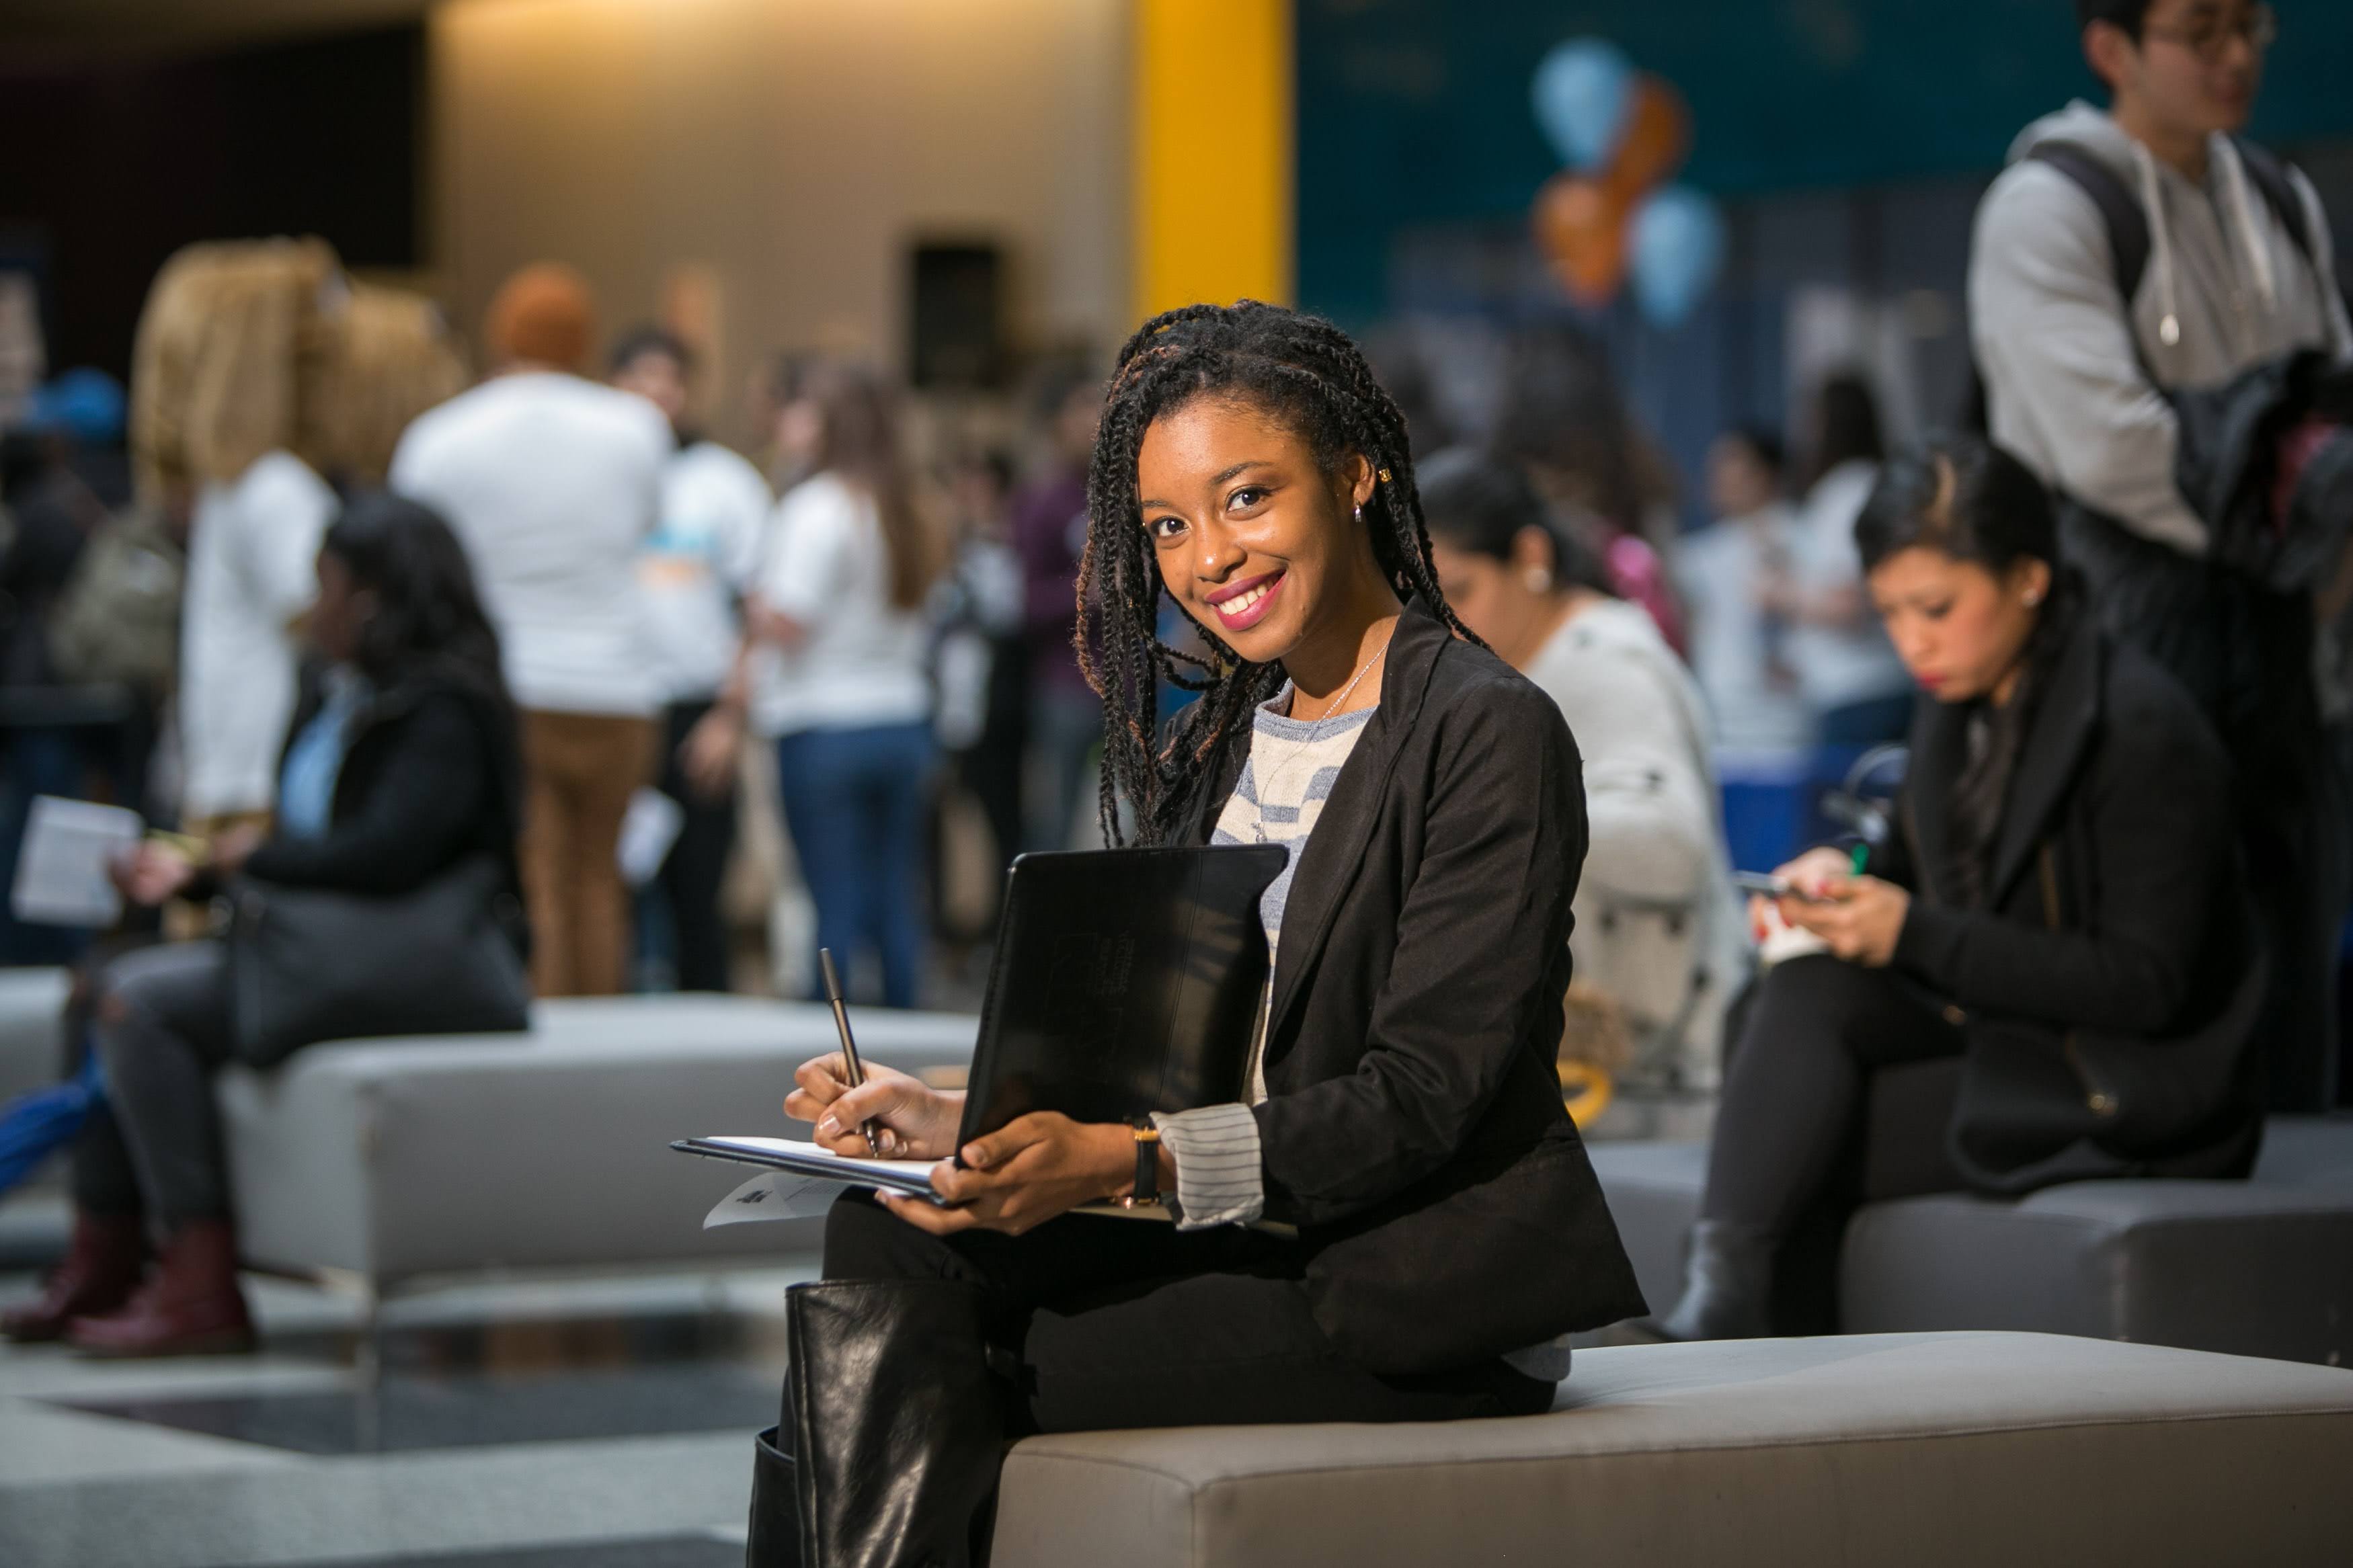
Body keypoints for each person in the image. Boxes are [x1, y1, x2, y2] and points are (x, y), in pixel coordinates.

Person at [748, 303, 1644, 1568]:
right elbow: (1167, 1058)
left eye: (1246, 498)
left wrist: (1127, 1162)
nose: (1209, 556)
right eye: (1169, 525)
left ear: (1355, 473)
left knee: (930, 1359)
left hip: (1403, 1277)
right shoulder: (1223, 729)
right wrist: (964, 1114)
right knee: (881, 1232)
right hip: (1230, 1230)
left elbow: (1421, 1098)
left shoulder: (1484, 730)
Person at [1646, 436, 2262, 1342]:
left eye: (1935, 608)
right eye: (1890, 612)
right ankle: (1728, 1302)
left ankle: (1741, 1326)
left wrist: (1911, 933)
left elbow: (2144, 983)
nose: (1911, 641)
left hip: (2114, 1075)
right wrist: (1844, 882)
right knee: (1799, 989)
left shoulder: (2138, 727)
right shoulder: (1957, 700)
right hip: (1997, 1027)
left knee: (1801, 1128)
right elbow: (1916, 874)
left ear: (2028, 577)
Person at [1, 493, 524, 1356]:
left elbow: (389, 856)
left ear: (372, 595)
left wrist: (233, 864)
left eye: (327, 582)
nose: (312, 605)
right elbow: (312, 850)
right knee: (93, 983)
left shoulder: (445, 707)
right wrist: (207, 871)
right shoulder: (337, 692)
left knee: (143, 1001)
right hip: (324, 944)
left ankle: (200, 1279)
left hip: (423, 958)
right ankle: (105, 1255)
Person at [1968, 0, 2353, 1110]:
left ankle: (2296, 1240)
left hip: (2288, 651)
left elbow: (2330, 396)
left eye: (2252, 27)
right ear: (2112, 47)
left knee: (2293, 962)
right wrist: (2288, 500)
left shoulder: (2278, 195)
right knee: (2149, 963)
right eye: (2202, 30)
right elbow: (2104, 446)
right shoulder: (2049, 202)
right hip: (2120, 637)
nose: (2236, 57)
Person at [1423, 448, 1747, 1091]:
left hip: (1668, 1072)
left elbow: (1671, 843)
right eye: (1426, 600)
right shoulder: (1521, 669)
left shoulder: (1604, 662)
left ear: (1531, 559)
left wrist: (1494, 819)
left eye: (1459, 591)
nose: (1444, 623)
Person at [390, 263, 670, 997]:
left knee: (537, 878)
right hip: (619, 687)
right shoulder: (636, 427)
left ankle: (551, 1048)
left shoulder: (444, 434)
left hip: (509, 685)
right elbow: (646, 525)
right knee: (600, 881)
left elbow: (416, 552)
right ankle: (602, 1032)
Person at [746, 361, 942, 1008]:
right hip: (902, 718)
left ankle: (830, 1041)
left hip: (821, 723)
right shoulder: (914, 505)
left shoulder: (818, 507)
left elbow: (788, 619)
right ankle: (905, 1031)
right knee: (894, 892)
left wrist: (745, 600)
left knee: (830, 893)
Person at [608, 325, 772, 993]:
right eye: (638, 377)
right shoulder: (594, 475)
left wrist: (729, 719)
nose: (655, 393)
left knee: (699, 900)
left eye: (667, 378)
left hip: (697, 713)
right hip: (613, 710)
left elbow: (755, 611)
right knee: (609, 900)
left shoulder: (725, 482)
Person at [1767, 374, 1913, 745]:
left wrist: (1780, 594)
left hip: (1859, 694)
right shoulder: (1873, 483)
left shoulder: (1847, 490)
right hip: (1870, 687)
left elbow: (1849, 603)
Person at [1008, 370, 1103, 851]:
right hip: (1063, 686)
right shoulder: (1043, 501)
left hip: (1129, 683)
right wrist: (1086, 594)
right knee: (1056, 823)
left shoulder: (1122, 495)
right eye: (1082, 410)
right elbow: (1022, 603)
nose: (1094, 422)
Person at [1677, 425, 1814, 752]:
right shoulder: (1699, 552)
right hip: (1720, 711)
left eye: (1732, 463)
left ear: (1765, 473)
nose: (1721, 476)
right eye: (1717, 466)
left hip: (1782, 714)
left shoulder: (1794, 532)